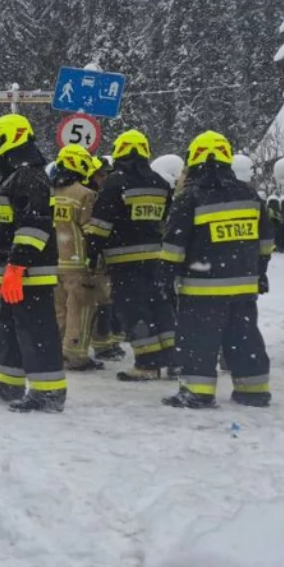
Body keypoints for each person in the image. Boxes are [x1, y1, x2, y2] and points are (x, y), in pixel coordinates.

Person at [160, 131, 275, 408]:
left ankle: (197, 392)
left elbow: (174, 244)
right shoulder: (249, 194)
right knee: (244, 336)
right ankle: (254, 389)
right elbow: (267, 239)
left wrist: (166, 277)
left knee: (199, 338)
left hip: (203, 286)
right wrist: (260, 271)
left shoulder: (191, 197)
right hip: (244, 285)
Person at [0, 113, 66, 413]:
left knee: (37, 330)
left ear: (11, 138)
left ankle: (48, 393)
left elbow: (33, 227)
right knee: (11, 330)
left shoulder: (29, 176)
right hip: (12, 272)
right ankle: (9, 382)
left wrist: (17, 266)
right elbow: (3, 229)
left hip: (30, 273)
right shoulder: (15, 176)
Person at [85, 130, 177, 382]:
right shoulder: (160, 183)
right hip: (156, 260)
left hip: (125, 262)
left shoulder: (115, 182)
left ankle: (147, 363)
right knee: (161, 307)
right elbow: (168, 221)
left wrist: (91, 252)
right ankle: (174, 360)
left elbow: (100, 223)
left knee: (133, 310)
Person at [50, 145, 104, 371]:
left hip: (54, 263)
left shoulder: (50, 193)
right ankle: (76, 355)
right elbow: (91, 231)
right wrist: (95, 259)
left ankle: (56, 352)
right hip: (78, 263)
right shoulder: (84, 195)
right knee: (80, 310)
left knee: (59, 310)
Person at [86, 155, 126, 362]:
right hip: (95, 257)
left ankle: (110, 341)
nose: (103, 178)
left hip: (105, 256)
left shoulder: (103, 193)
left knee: (109, 301)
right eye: (100, 174)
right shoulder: (90, 196)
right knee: (102, 302)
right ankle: (102, 344)